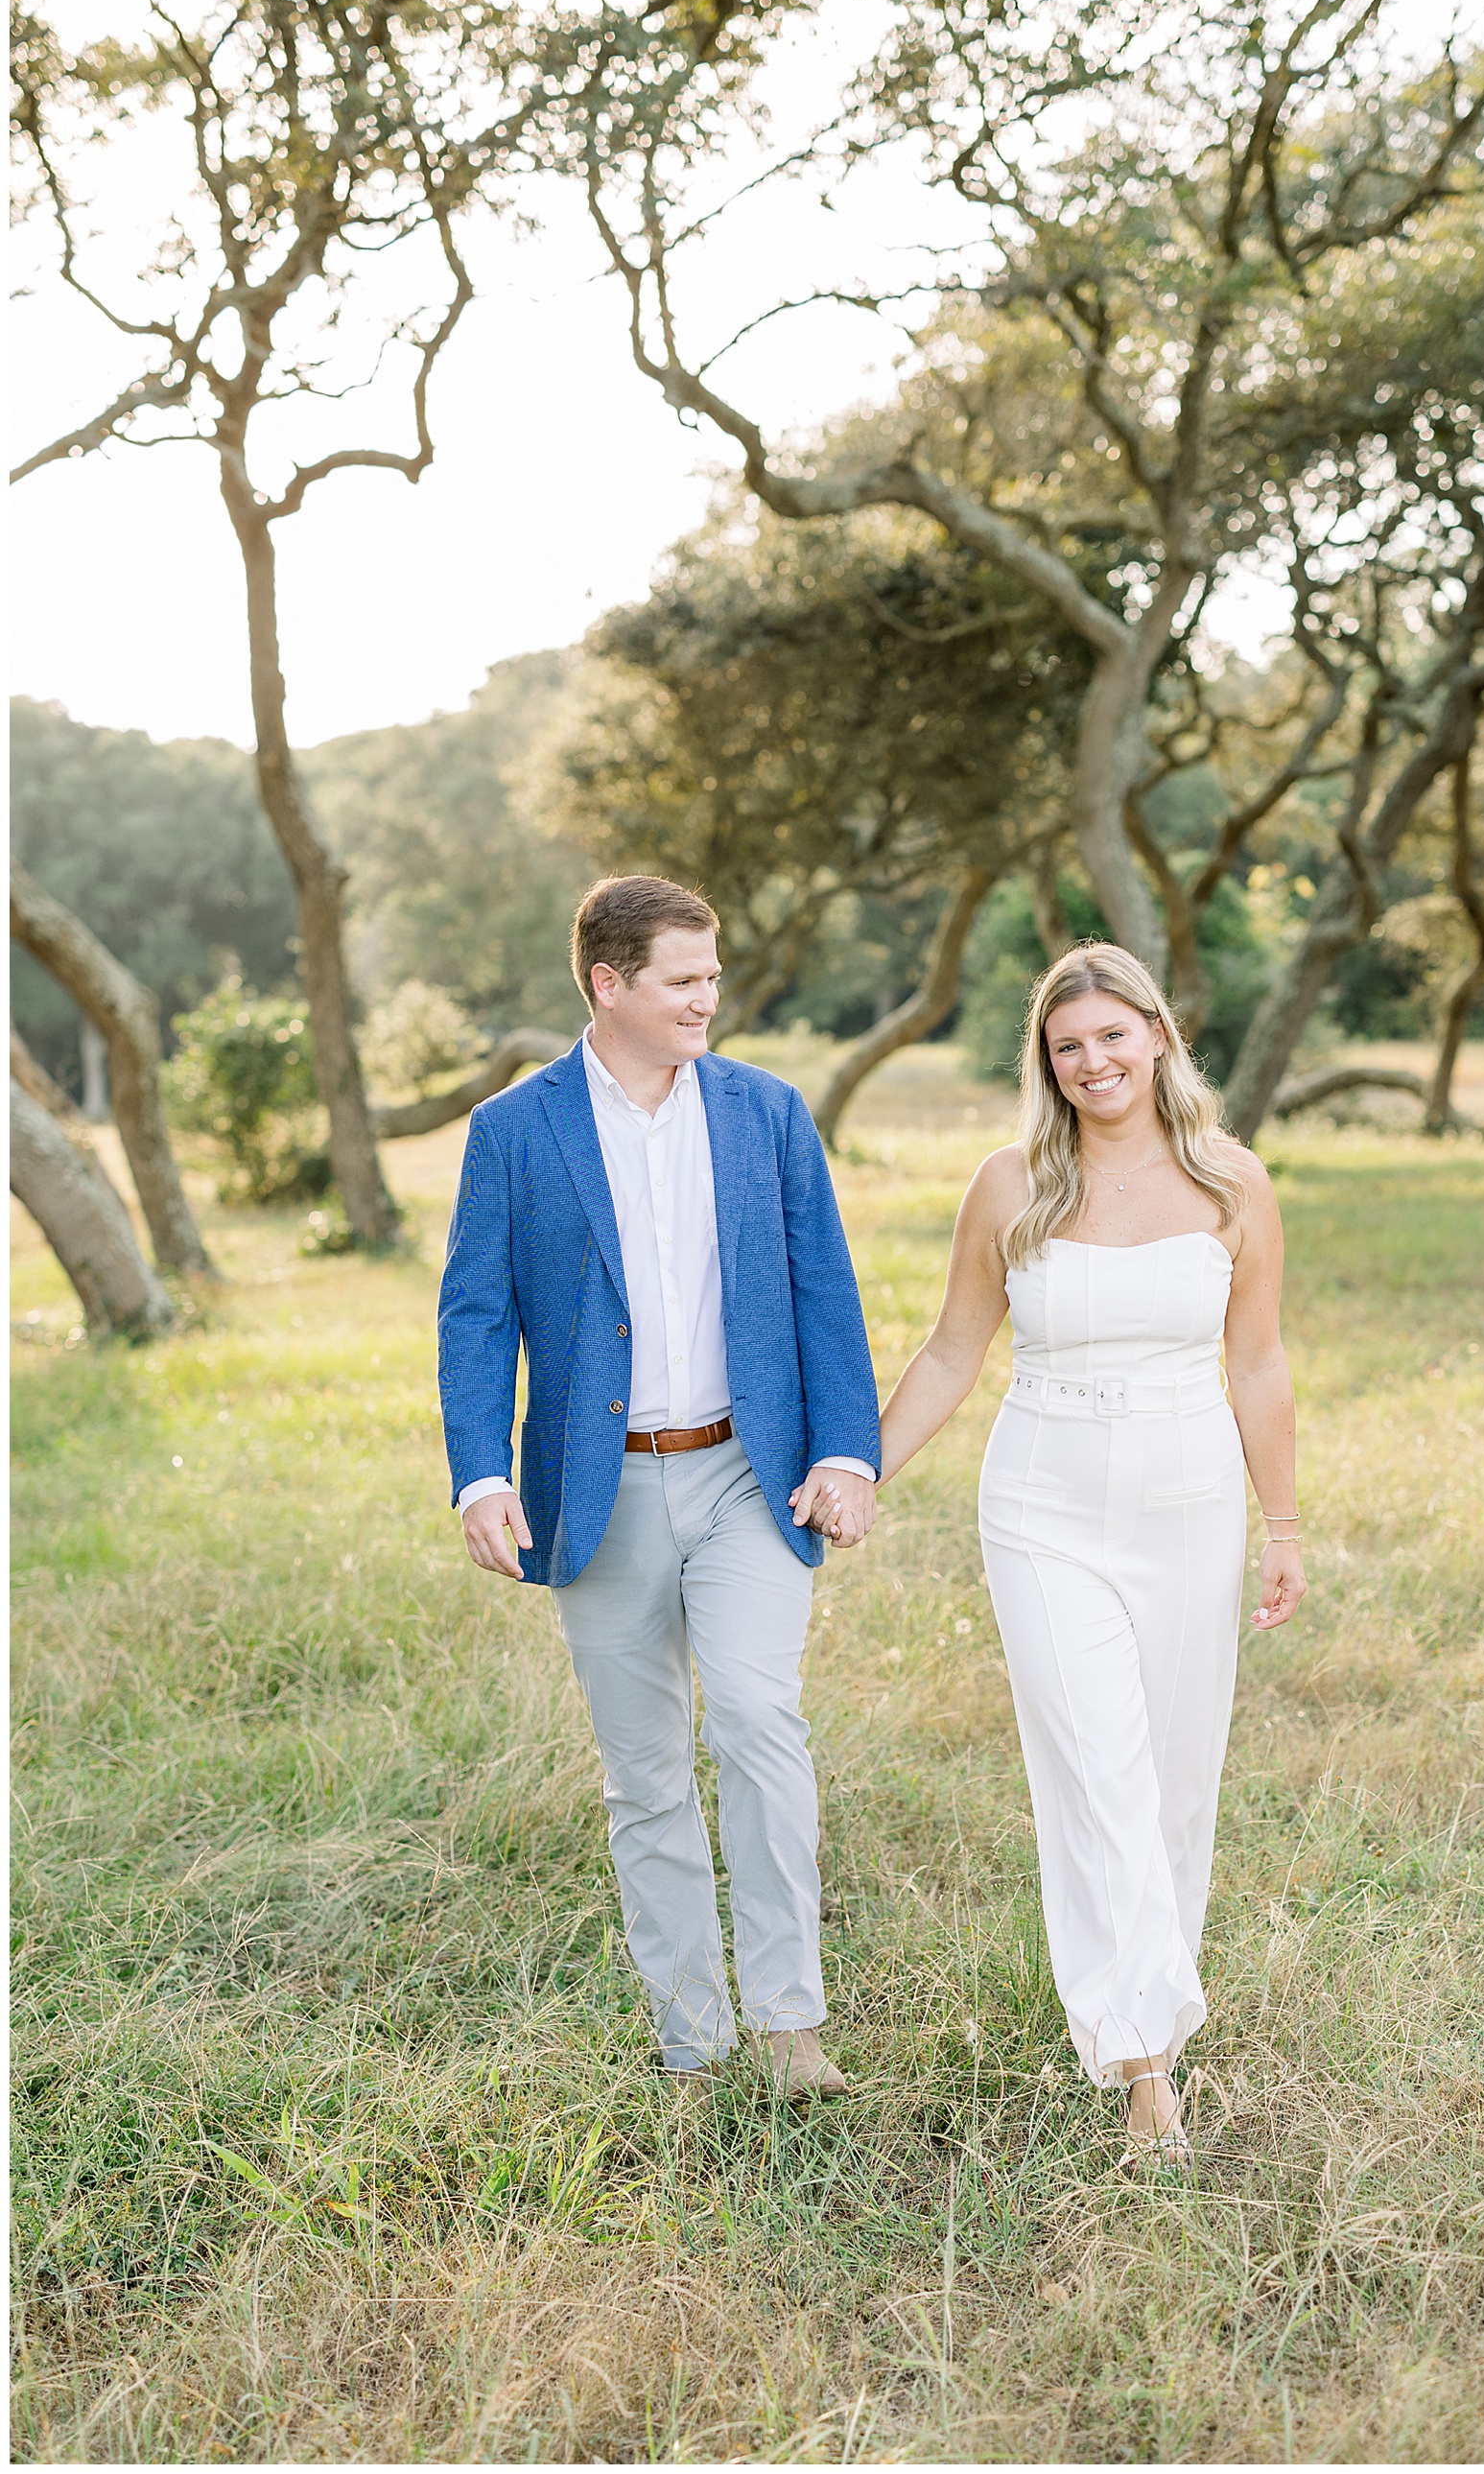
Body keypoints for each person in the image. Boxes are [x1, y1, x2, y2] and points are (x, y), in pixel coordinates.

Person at [437, 875, 880, 2096]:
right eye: (684, 979)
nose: (707, 998)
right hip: (600, 1490)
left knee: (758, 1720)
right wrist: (481, 1473)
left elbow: (824, 1286)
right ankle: (693, 2038)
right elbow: (476, 1312)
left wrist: (845, 1452)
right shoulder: (514, 1129)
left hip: (750, 1474)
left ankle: (789, 2023)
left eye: (713, 975)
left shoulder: (766, 1111)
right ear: (608, 982)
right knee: (643, 1774)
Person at [875, 942, 1307, 2164]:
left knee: (1173, 1777)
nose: (1093, 1061)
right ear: (1048, 1063)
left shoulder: (1232, 1180)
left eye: (1114, 1034)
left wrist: (1283, 1526)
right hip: (1042, 1504)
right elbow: (951, 1350)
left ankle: (1147, 2012)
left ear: (1159, 1034)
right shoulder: (1011, 1182)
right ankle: (1145, 2066)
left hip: (1190, 1502)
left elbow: (1258, 1361)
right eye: (1068, 1046)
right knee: (1097, 1774)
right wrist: (857, 1468)